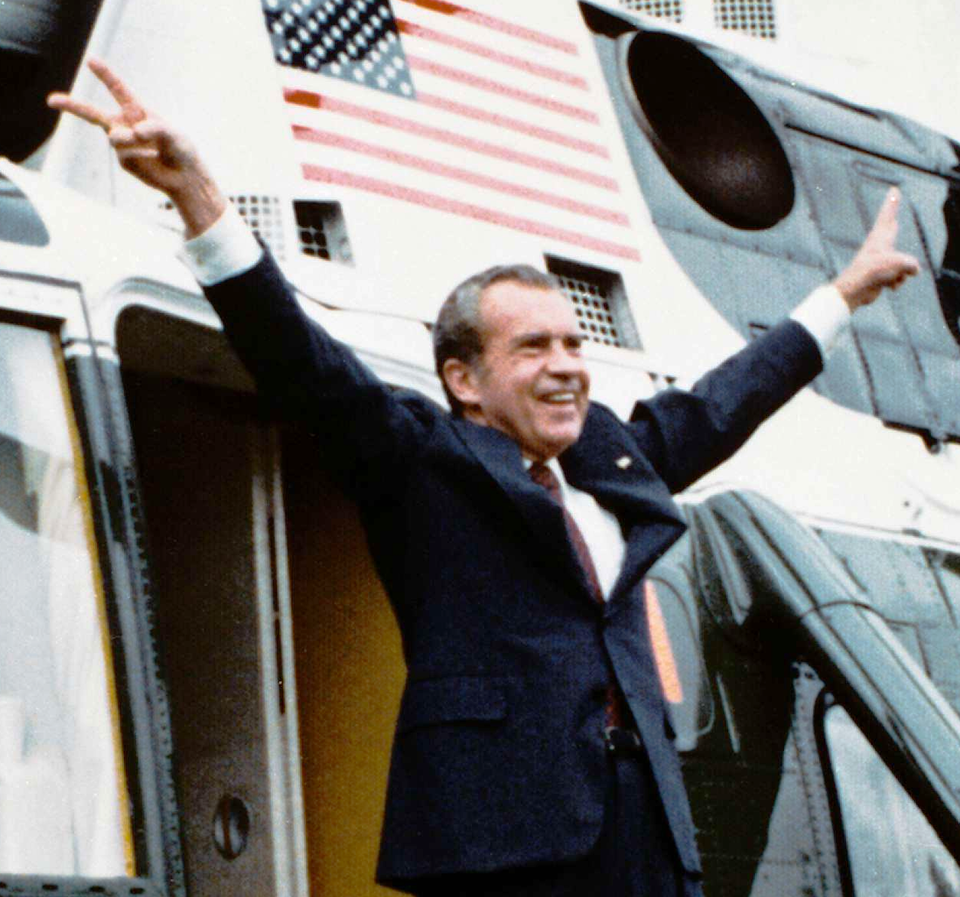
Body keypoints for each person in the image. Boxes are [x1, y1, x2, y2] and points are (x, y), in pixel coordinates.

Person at [49, 61, 919, 897]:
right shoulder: (420, 461)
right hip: (507, 848)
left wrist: (842, 295)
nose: (568, 365)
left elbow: (726, 401)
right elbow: (299, 357)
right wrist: (200, 198)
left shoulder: (610, 460)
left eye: (574, 343)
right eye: (534, 347)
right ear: (464, 379)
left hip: (642, 835)